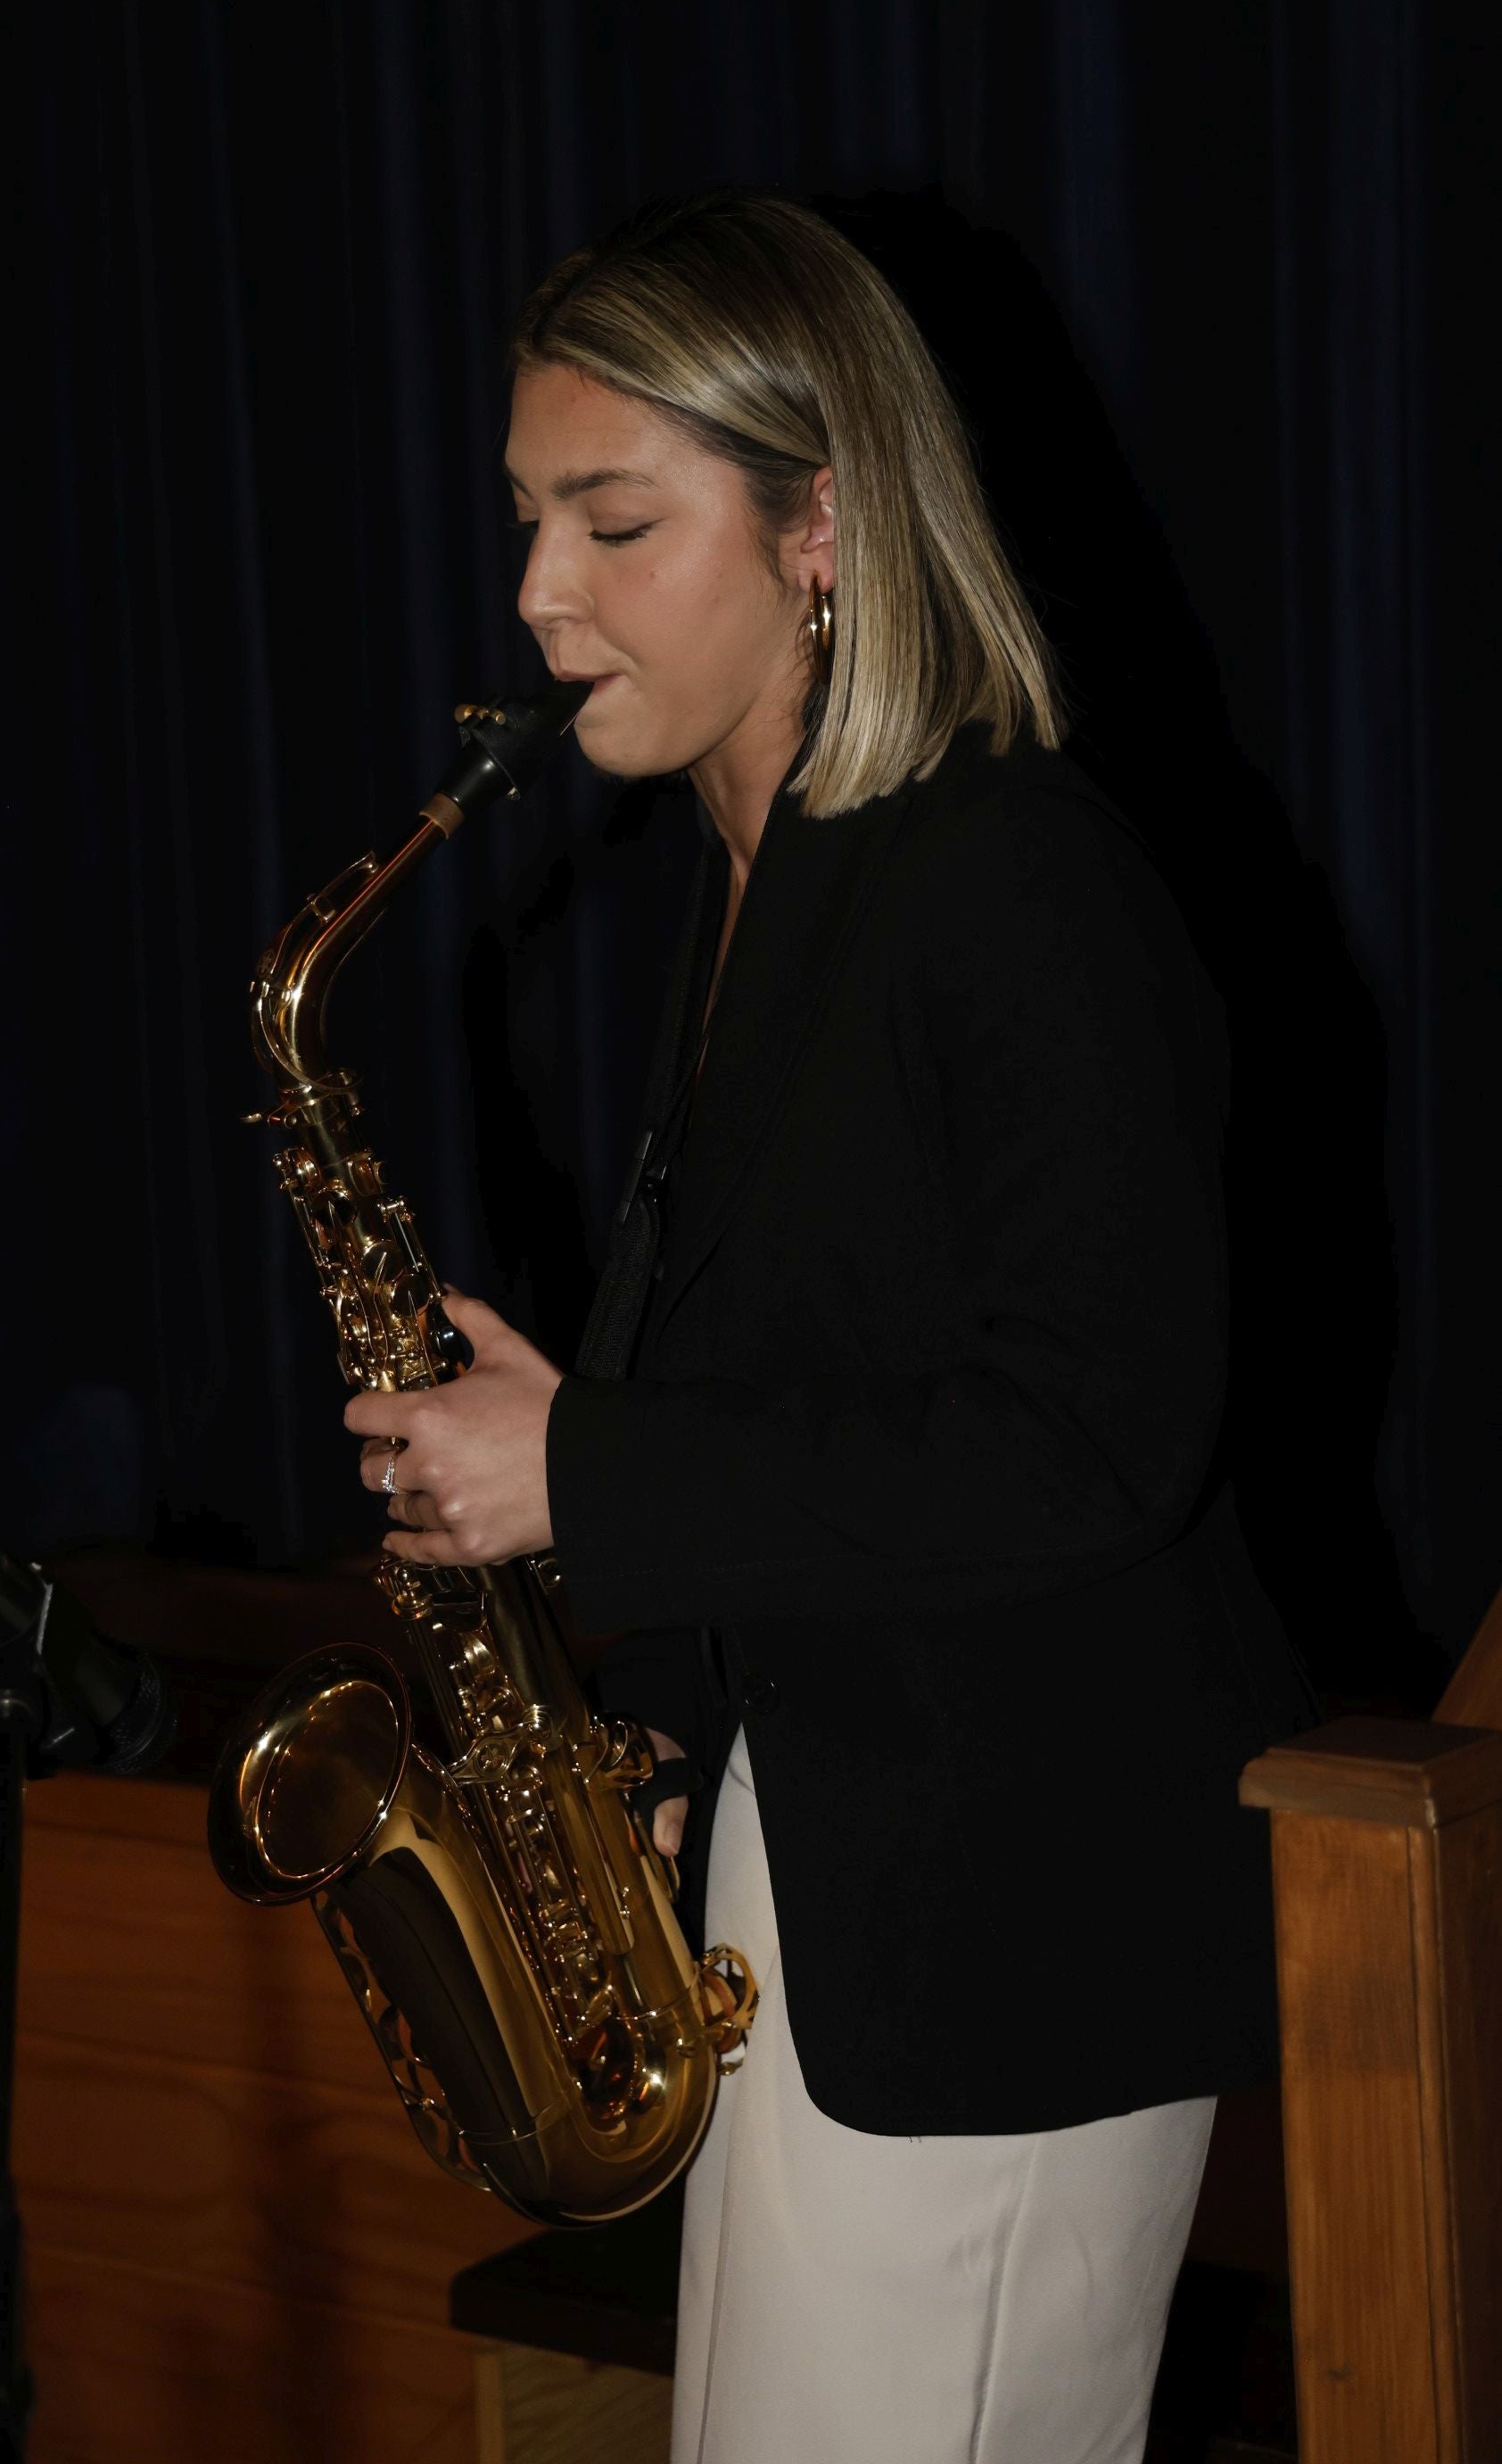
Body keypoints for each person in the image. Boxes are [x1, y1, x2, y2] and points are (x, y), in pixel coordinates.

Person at [343, 191, 1320, 2464]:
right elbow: (832, 1380)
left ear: (821, 526)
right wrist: (666, 1713)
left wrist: (578, 1473)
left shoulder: (1008, 874)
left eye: (608, 519)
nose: (532, 593)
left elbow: (1090, 1435)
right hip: (836, 1905)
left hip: (1001, 1948)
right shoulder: (777, 879)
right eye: (526, 519)